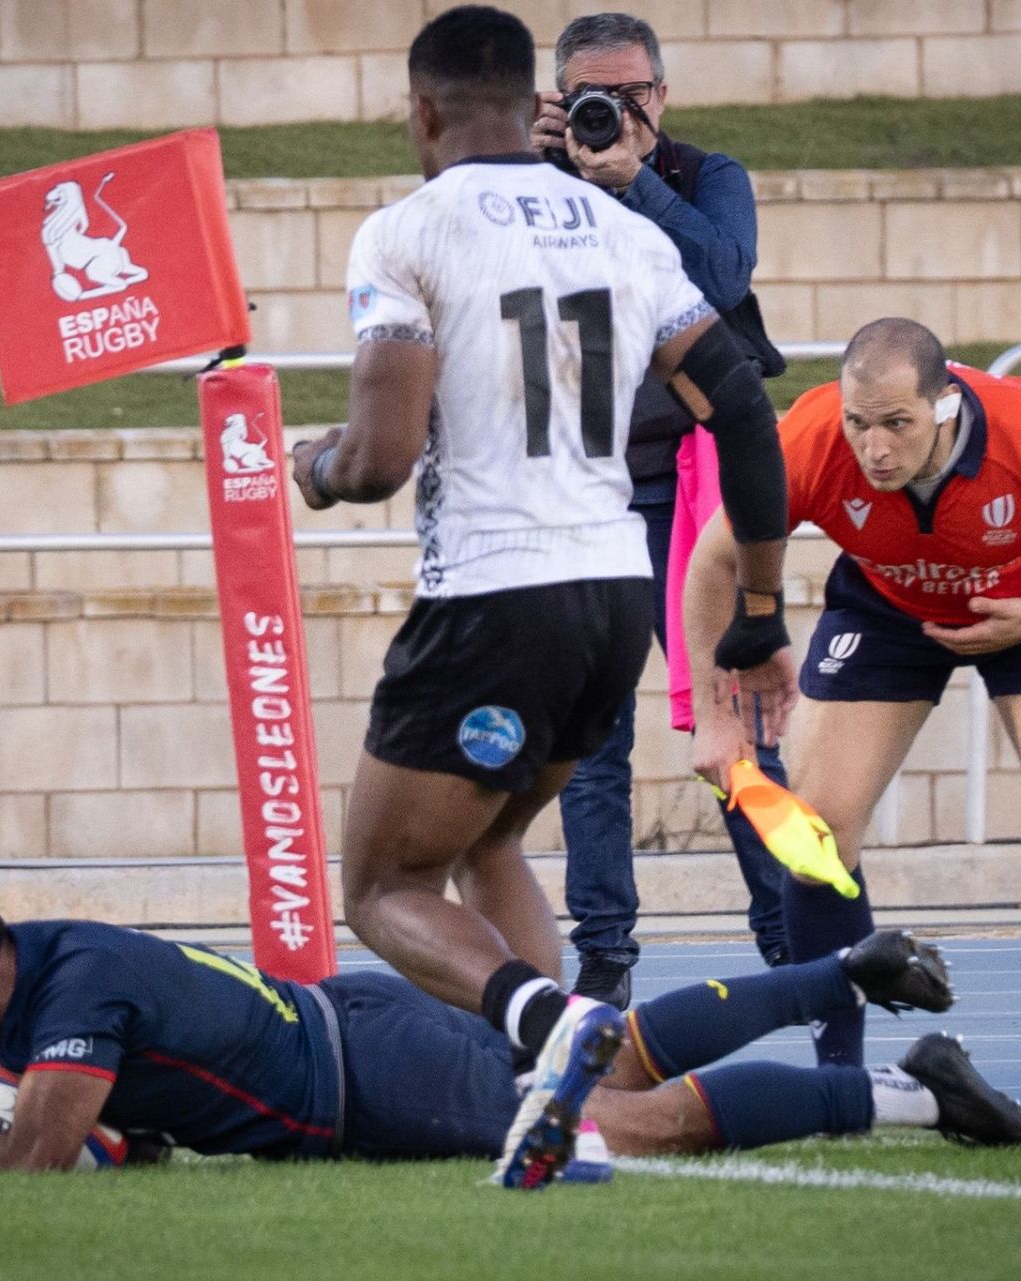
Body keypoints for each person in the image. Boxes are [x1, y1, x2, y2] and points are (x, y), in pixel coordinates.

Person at [286, 6, 798, 1176]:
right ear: (538, 109)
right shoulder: (623, 230)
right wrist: (760, 610)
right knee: (495, 841)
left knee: (380, 884)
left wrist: (309, 467)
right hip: (616, 589)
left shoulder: (403, 232)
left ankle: (556, 1027)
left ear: (421, 113)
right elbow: (748, 410)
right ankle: (580, 1103)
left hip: (492, 592)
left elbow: (377, 457)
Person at [686, 317, 1021, 1138]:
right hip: (888, 606)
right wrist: (712, 719)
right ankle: (840, 1089)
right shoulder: (809, 438)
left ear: (945, 404)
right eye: (859, 423)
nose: (873, 448)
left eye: (896, 425)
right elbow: (713, 559)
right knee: (814, 834)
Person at [0, 862, 1021, 1180]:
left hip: (371, 1078)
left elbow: (42, 1148)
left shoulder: (73, 993)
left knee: (625, 1125)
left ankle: (914, 1092)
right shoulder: (53, 963)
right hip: (361, 1024)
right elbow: (118, 1127)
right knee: (612, 1047)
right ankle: (845, 973)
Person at [530, 11, 791, 1009]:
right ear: (556, 98)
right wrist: (549, 168)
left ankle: (785, 927)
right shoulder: (528, 189)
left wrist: (630, 179)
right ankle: (605, 952)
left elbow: (722, 277)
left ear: (662, 95)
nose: (615, 110)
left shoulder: (701, 174)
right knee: (591, 744)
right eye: (593, 95)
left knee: (735, 723)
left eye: (633, 93)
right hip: (587, 488)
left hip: (694, 490)